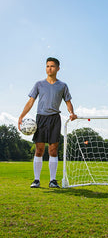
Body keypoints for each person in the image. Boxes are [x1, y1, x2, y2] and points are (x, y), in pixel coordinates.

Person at [18, 57, 77, 188]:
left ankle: (53, 180)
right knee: (39, 149)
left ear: (58, 68)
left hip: (55, 118)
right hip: (41, 119)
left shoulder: (62, 85)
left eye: (52, 66)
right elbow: (31, 102)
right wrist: (21, 116)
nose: (49, 68)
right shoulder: (39, 84)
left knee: (53, 150)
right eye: (47, 66)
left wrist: (72, 113)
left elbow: (68, 102)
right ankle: (36, 180)